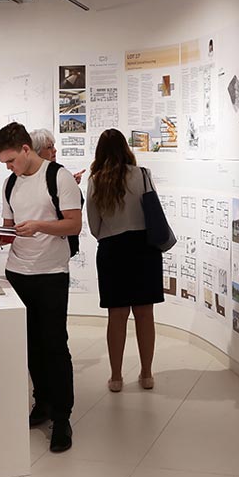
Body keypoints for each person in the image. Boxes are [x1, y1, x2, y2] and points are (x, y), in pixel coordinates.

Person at [0, 122, 82, 452]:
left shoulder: (59, 177)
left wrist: (40, 226)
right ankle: (41, 402)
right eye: (4, 163)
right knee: (29, 344)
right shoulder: (10, 183)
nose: (8, 167)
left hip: (51, 272)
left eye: (11, 160)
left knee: (55, 345)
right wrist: (0, 236)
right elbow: (10, 226)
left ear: (26, 149)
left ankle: (62, 416)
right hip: (18, 272)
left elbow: (74, 225)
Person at [86, 128, 164, 392]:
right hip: (144, 248)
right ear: (125, 148)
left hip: (112, 250)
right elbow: (153, 212)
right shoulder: (142, 175)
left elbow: (94, 226)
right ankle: (147, 374)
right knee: (145, 313)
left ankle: (116, 377)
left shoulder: (95, 180)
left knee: (116, 315)